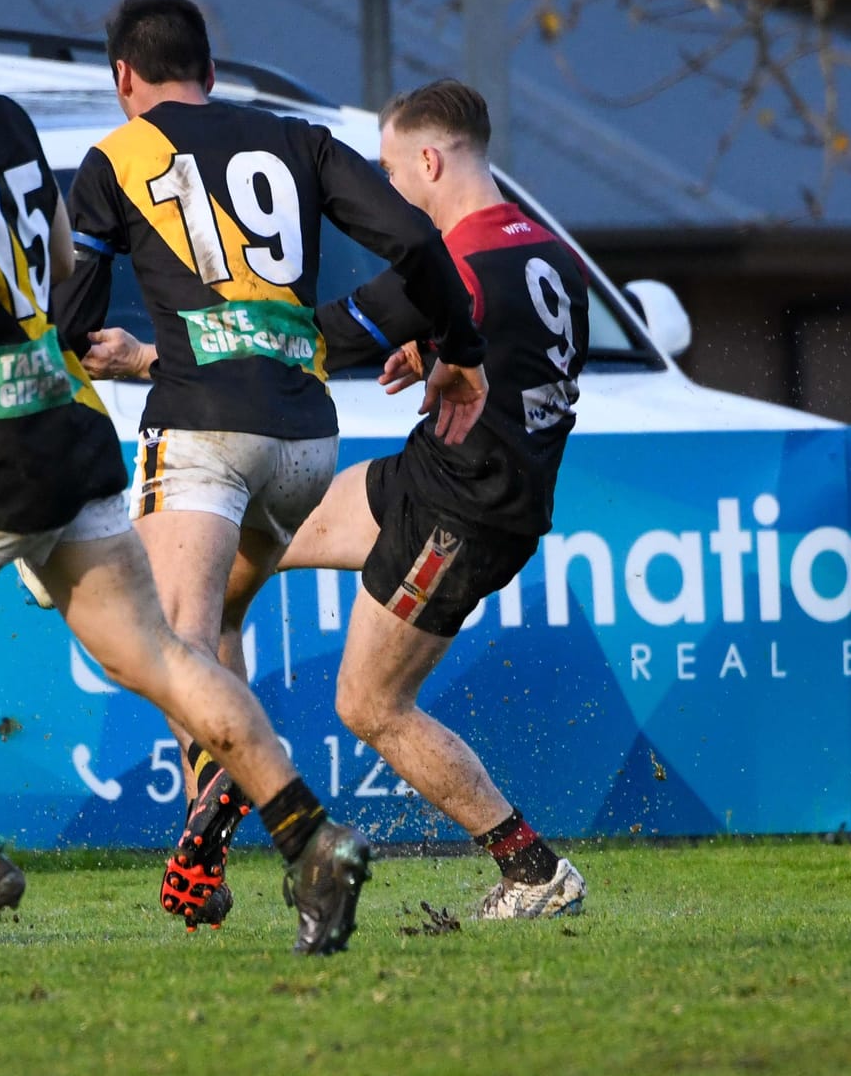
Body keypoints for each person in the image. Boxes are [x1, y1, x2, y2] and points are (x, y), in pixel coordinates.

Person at [0, 0, 368, 957]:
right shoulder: (9, 121)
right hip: (72, 428)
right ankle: (309, 837)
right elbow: (53, 261)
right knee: (157, 653)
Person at [91, 80, 589, 919]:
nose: (392, 191)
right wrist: (433, 350)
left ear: (430, 161)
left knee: (368, 704)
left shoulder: (456, 264)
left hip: (460, 512)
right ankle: (217, 781)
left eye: (395, 173)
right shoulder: (546, 251)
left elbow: (299, 341)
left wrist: (148, 357)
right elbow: (520, 365)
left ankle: (534, 869)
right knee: (238, 564)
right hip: (441, 476)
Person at [55, 0, 489, 931]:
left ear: (123, 79)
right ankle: (207, 855)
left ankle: (248, 801)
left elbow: (66, 324)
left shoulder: (114, 157)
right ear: (209, 74)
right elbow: (417, 241)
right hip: (305, 438)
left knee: (172, 648)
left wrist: (123, 357)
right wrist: (458, 348)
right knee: (221, 629)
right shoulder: (297, 138)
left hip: (202, 432)